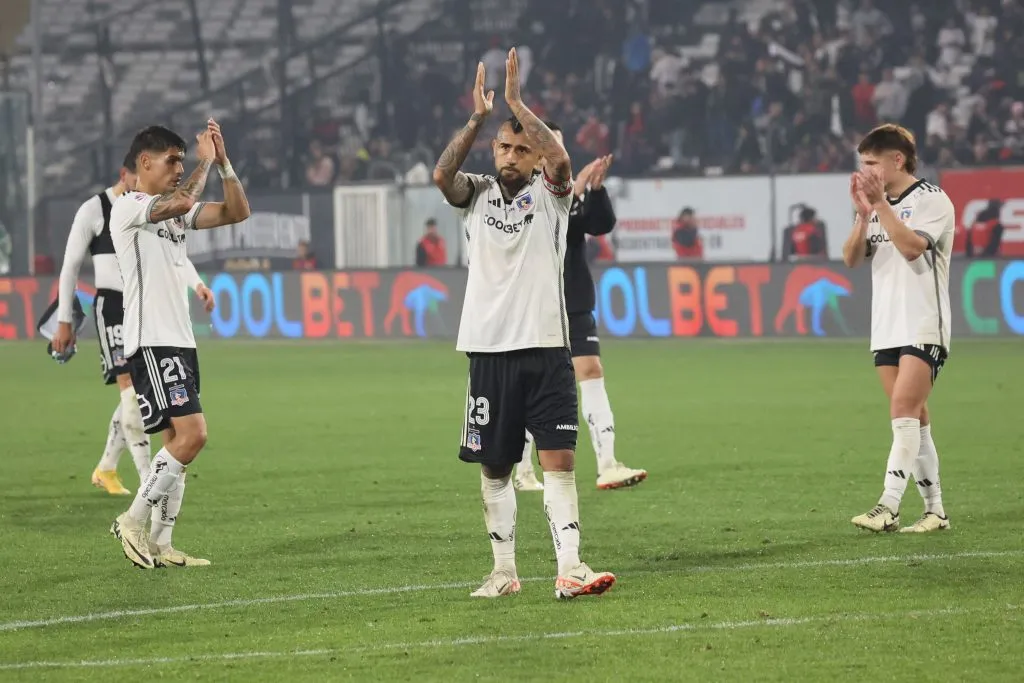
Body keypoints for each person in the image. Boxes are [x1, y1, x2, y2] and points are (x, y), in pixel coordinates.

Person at [433, 50, 615, 599]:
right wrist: (477, 119)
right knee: (495, 468)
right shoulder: (478, 194)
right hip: (487, 350)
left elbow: (563, 164)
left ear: (536, 158)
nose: (512, 156)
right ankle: (504, 571)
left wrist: (516, 103)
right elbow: (442, 174)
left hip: (545, 348)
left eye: (522, 149)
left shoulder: (552, 198)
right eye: (504, 147)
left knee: (559, 460)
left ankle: (571, 567)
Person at [108, 120, 250, 569]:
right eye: (172, 160)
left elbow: (236, 212)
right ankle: (131, 521)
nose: (178, 168)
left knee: (176, 444)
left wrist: (224, 163)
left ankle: (162, 544)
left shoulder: (172, 211)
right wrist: (205, 159)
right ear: (144, 162)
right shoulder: (129, 206)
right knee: (194, 435)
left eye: (182, 162)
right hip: (151, 341)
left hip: (179, 341)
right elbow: (183, 199)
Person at [51, 156, 214, 498]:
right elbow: (70, 266)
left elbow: (174, 255)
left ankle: (107, 467)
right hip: (112, 305)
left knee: (136, 395)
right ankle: (146, 480)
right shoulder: (96, 209)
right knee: (129, 394)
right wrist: (64, 318)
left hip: (146, 306)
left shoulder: (152, 208)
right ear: (126, 173)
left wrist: (196, 283)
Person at [514, 123, 647, 493]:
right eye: (548, 141)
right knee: (534, 385)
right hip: (536, 301)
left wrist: (596, 189)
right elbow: (543, 221)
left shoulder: (570, 192)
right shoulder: (522, 190)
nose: (556, 146)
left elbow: (599, 224)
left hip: (573, 298)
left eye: (559, 140)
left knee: (591, 369)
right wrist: (575, 189)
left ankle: (607, 463)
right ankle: (523, 471)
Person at [842, 124, 954, 534]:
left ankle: (887, 505)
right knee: (916, 418)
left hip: (924, 321)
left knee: (903, 410)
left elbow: (911, 248)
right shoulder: (876, 203)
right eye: (862, 164)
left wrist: (881, 208)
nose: (864, 171)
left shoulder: (932, 200)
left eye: (871, 163)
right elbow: (852, 258)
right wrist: (862, 215)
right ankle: (935, 511)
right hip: (886, 325)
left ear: (897, 160)